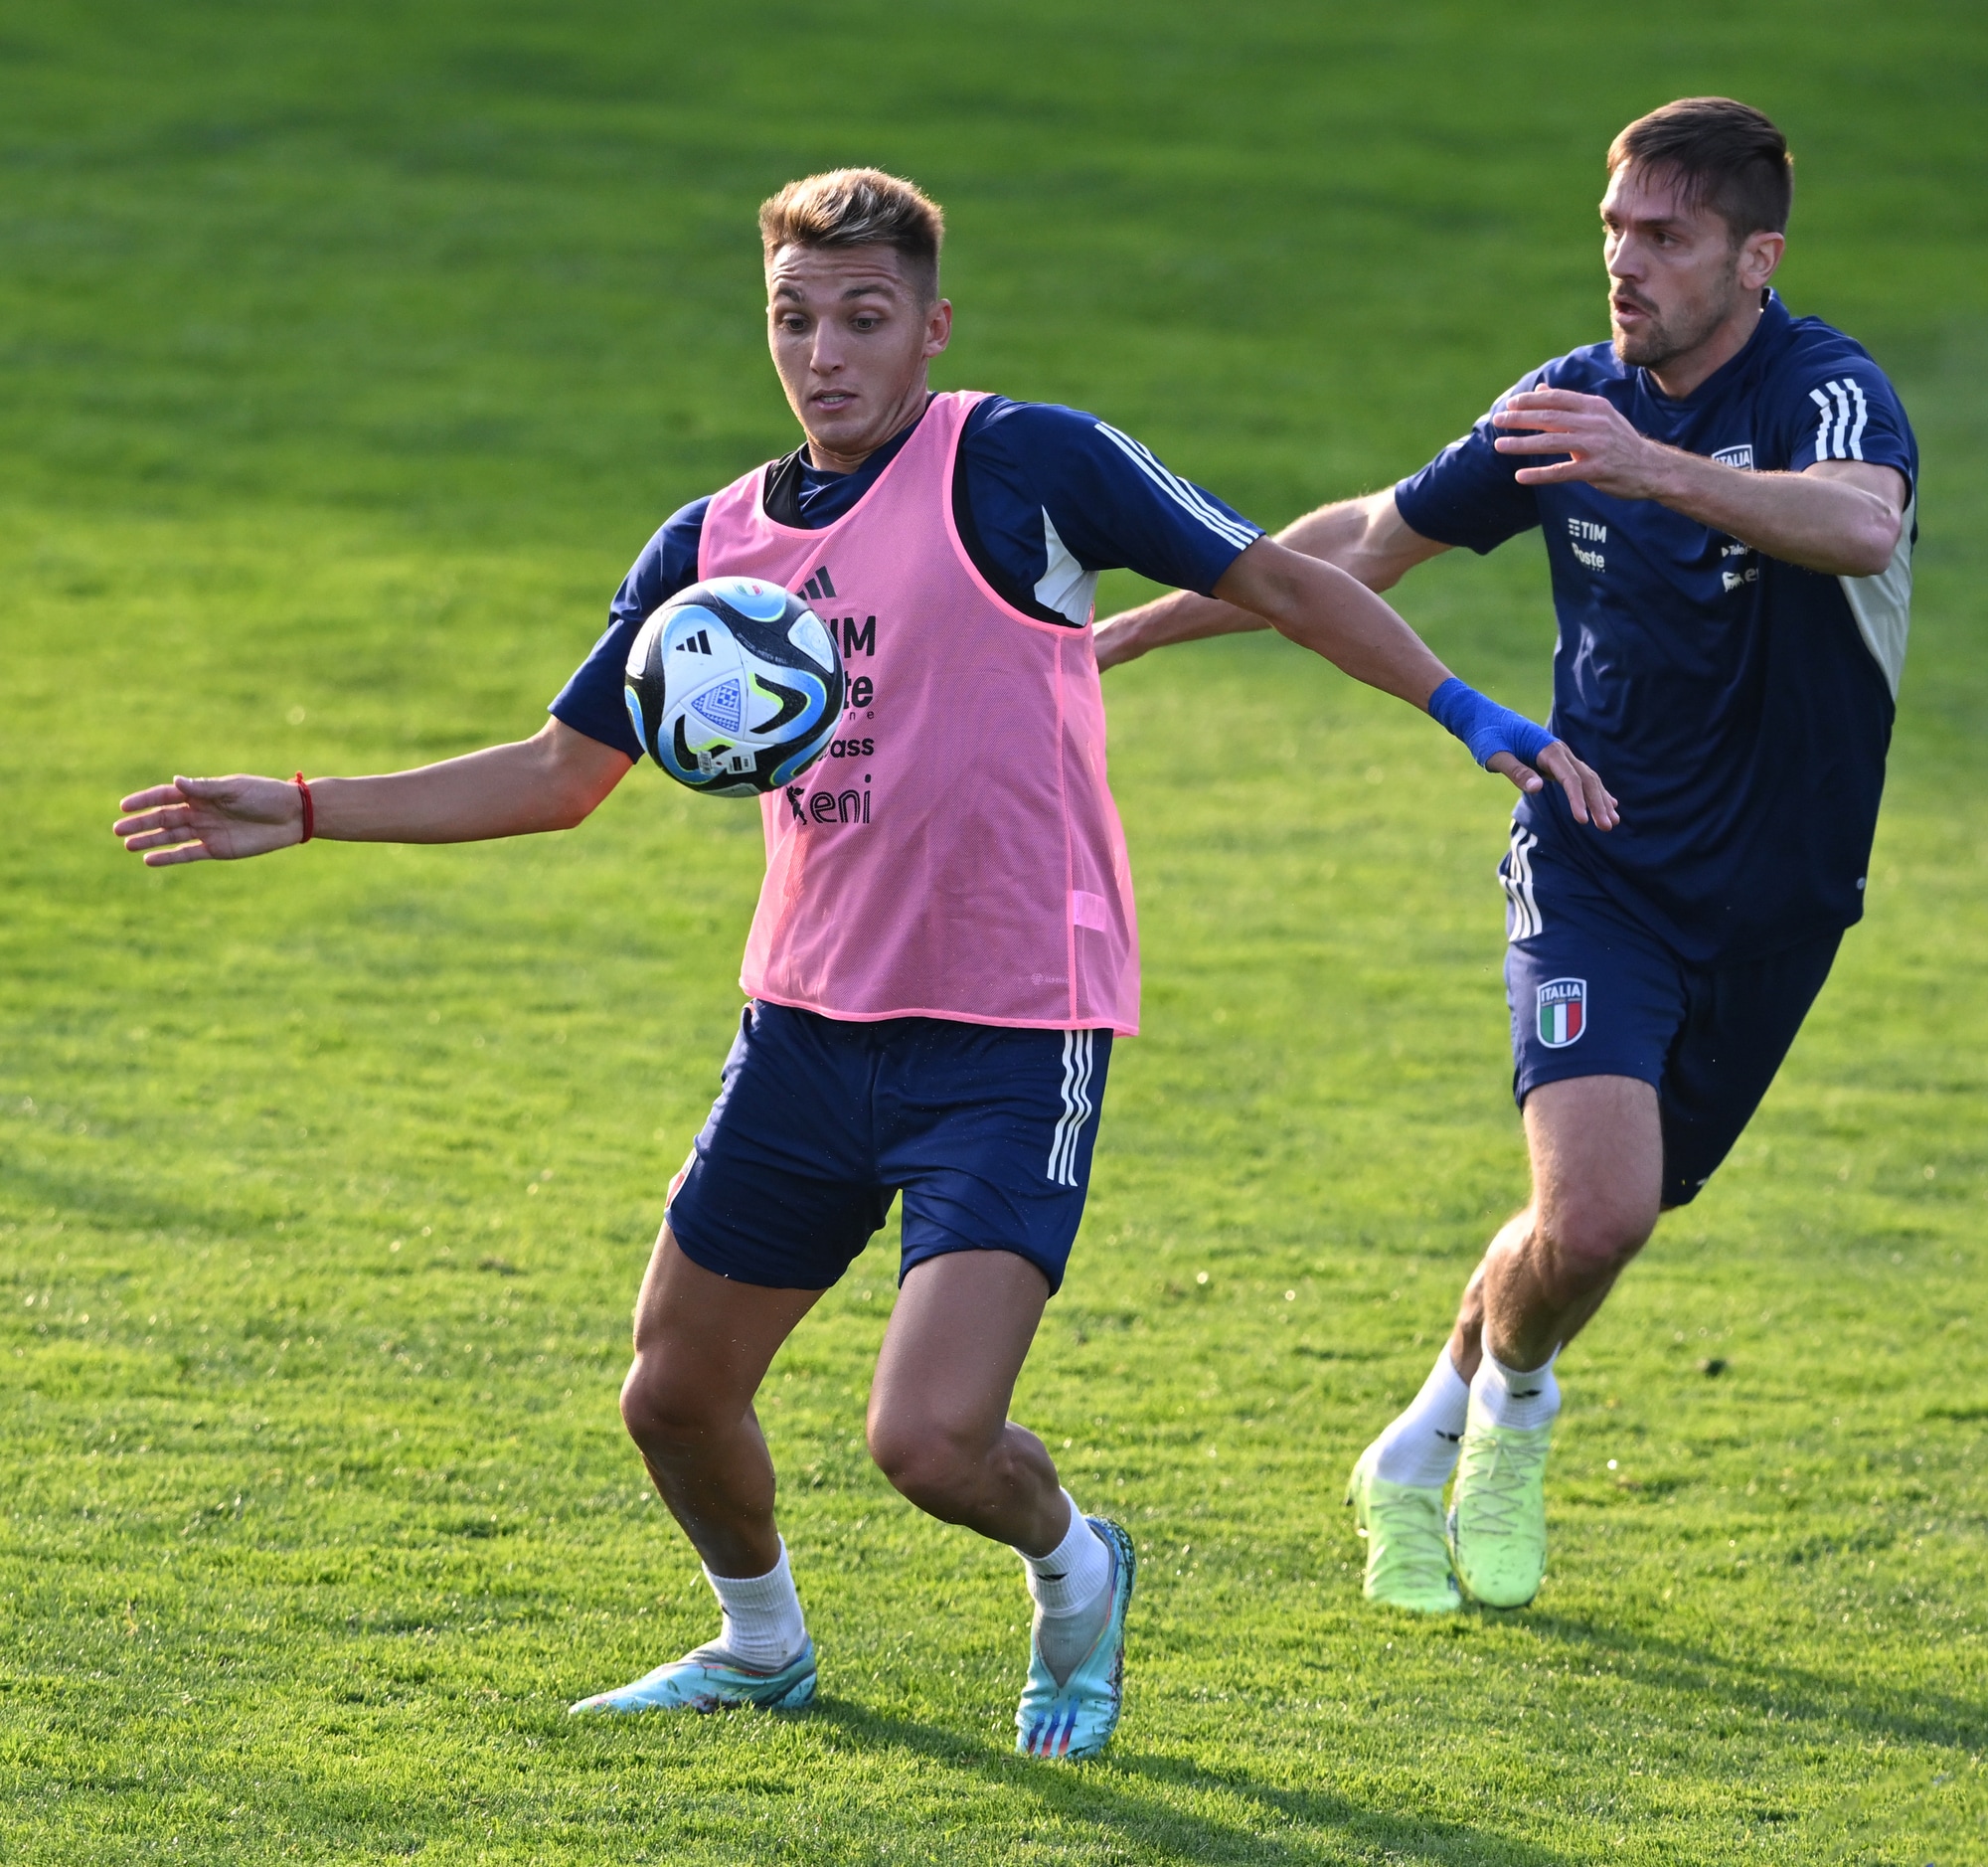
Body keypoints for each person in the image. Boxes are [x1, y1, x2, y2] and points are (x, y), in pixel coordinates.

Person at [113, 168, 1610, 1748]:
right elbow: (559, 774)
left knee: (931, 1441)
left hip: (1014, 1029)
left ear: (932, 327)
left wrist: (1463, 709)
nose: (824, 354)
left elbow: (1282, 579)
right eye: (794, 318)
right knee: (672, 1395)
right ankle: (760, 1643)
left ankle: (1077, 1566)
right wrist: (306, 805)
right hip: (806, 1028)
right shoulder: (713, 547)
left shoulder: (1023, 462)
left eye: (863, 317)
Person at [1093, 98, 1916, 1615]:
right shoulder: (1566, 407)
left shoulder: (1826, 392)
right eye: (1614, 229)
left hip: (1780, 897)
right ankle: (1517, 1418)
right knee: (1596, 1212)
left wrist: (1651, 468)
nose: (1625, 261)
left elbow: (1859, 526)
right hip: (1594, 857)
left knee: (1590, 1227)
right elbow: (1364, 541)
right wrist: (1138, 627)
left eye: (1666, 236)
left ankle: (1413, 1447)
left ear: (1757, 257)